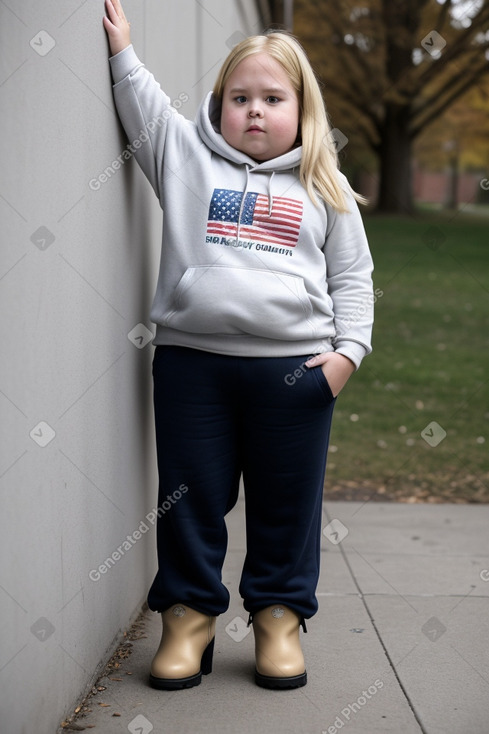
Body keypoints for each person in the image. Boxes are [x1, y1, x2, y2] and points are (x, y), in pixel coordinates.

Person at [103, 0, 374, 691]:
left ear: (301, 108)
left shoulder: (325, 186)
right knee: (190, 496)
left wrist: (346, 356)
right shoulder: (185, 159)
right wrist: (123, 51)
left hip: (296, 374)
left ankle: (278, 618)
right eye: (239, 98)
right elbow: (147, 112)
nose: (254, 110)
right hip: (193, 368)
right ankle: (188, 618)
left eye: (272, 98)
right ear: (217, 106)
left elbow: (353, 279)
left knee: (287, 504)